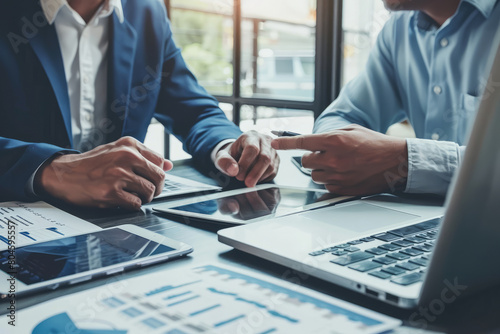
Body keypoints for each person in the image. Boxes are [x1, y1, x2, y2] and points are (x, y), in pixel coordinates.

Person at [0, 0, 279, 210]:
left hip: (119, 225)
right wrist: (52, 170)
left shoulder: (147, 11)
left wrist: (229, 146)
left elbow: (192, 107)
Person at [272, 0, 500, 196]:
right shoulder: (399, 28)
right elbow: (342, 116)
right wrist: (344, 150)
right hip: (420, 225)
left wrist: (408, 162)